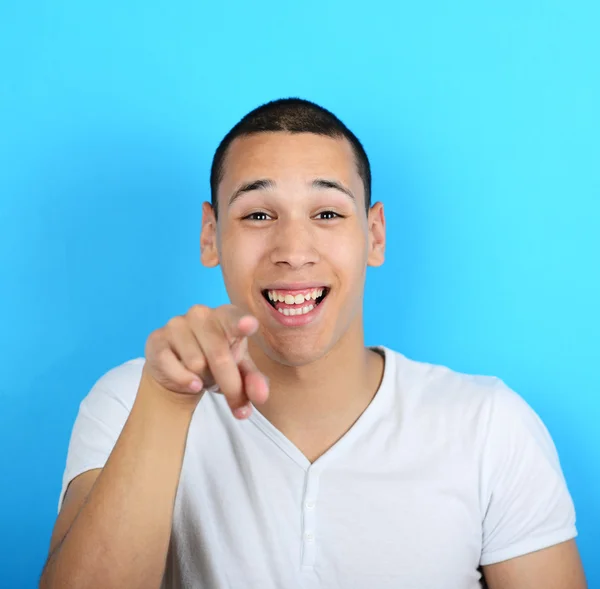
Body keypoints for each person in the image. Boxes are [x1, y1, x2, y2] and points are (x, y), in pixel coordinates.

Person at [40, 98, 587, 589]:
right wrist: (166, 401)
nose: (293, 249)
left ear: (374, 235)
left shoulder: (489, 425)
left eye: (327, 213)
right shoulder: (130, 401)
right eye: (257, 214)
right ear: (211, 237)